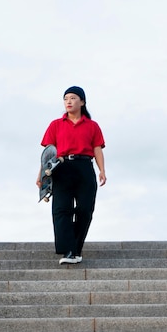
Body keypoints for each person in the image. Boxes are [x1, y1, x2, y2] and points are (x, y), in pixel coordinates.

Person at [36, 85, 107, 265]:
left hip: (84, 167)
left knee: (85, 209)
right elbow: (48, 153)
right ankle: (69, 251)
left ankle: (75, 248)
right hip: (62, 168)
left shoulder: (92, 126)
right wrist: (41, 176)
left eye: (73, 98)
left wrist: (102, 171)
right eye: (66, 98)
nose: (69, 101)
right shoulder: (56, 125)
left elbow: (97, 149)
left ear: (82, 102)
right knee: (61, 210)